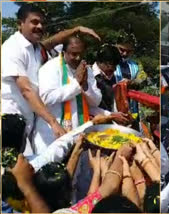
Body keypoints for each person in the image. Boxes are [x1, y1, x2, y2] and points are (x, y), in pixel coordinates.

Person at [1, 4, 101, 155]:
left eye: (42, 22)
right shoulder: (13, 47)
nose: (40, 26)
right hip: (11, 119)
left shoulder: (35, 48)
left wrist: (76, 29)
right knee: (10, 168)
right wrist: (53, 122)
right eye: (34, 22)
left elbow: (52, 41)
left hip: (28, 120)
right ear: (20, 24)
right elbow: (26, 90)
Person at [33, 36, 102, 154]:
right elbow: (46, 98)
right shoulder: (50, 68)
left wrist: (85, 86)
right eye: (73, 54)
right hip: (51, 137)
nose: (78, 58)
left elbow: (96, 101)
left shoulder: (86, 70)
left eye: (81, 54)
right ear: (64, 52)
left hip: (78, 134)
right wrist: (76, 83)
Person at [92, 45, 121, 111]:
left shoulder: (114, 78)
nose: (114, 69)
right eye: (111, 65)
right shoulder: (88, 75)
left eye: (115, 65)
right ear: (100, 62)